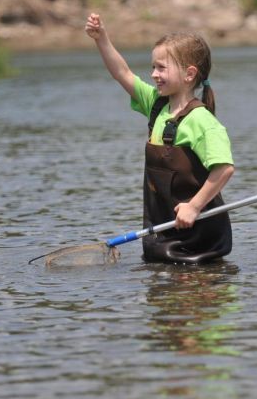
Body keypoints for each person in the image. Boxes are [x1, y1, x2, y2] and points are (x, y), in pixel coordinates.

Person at [85, 13, 235, 264]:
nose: (154, 74)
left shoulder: (202, 121)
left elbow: (224, 169)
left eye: (161, 68)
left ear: (189, 74)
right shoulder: (156, 105)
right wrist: (102, 39)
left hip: (199, 237)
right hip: (163, 229)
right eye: (153, 67)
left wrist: (194, 206)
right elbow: (122, 72)